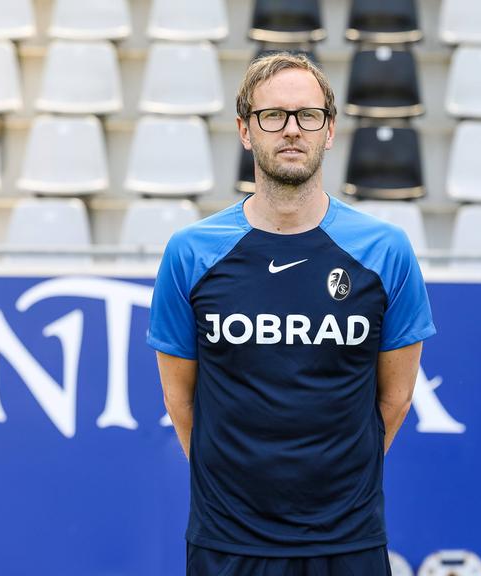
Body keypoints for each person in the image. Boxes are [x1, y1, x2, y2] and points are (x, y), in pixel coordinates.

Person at [147, 52, 436, 576]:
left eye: (307, 115)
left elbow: (394, 399)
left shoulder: (386, 251)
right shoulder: (191, 252)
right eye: (273, 116)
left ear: (329, 130)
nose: (291, 130)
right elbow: (179, 398)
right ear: (244, 129)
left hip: (347, 541)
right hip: (227, 541)